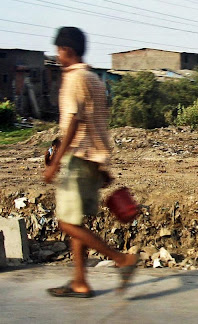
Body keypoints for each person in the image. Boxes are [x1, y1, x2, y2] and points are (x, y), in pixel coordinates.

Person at [43, 26, 138, 298]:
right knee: (77, 224)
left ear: (67, 50)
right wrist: (102, 166)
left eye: (58, 51)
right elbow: (98, 125)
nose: (57, 56)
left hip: (77, 160)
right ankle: (79, 281)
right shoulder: (95, 80)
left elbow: (74, 122)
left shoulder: (74, 79)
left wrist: (54, 163)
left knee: (67, 223)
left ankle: (122, 260)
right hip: (91, 161)